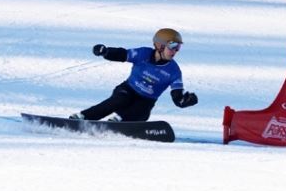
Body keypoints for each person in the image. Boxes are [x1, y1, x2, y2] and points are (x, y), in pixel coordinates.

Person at [70, 28, 198, 122]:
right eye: (173, 46)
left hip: (146, 101)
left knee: (143, 111)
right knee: (119, 100)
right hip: (127, 90)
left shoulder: (174, 71)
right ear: (160, 45)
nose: (175, 51)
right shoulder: (143, 54)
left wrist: (183, 101)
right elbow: (122, 54)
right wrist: (106, 52)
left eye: (178, 48)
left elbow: (177, 95)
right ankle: (83, 117)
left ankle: (119, 121)